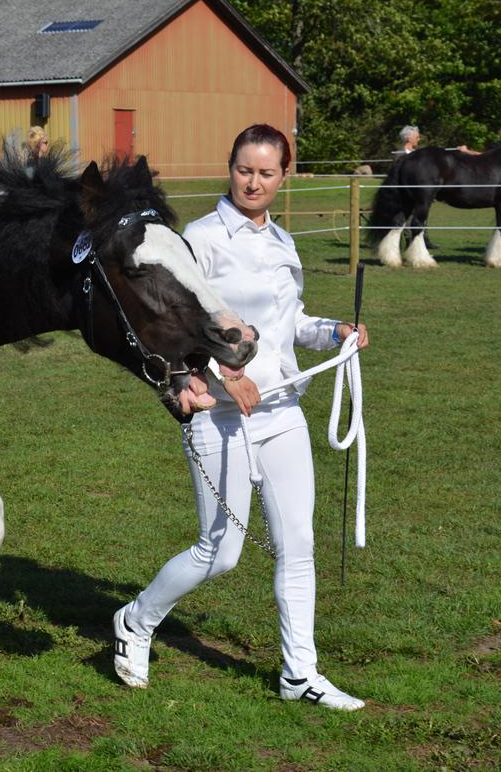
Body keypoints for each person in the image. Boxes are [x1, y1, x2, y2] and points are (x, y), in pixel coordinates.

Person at [112, 123, 371, 711]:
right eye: (244, 170)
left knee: (297, 545)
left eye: (266, 172)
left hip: (282, 415)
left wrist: (334, 332)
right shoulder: (198, 240)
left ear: (284, 177)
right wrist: (227, 374)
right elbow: (172, 327)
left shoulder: (283, 242)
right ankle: (135, 619)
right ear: (230, 168)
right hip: (218, 417)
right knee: (219, 551)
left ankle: (299, 674)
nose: (253, 182)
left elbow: (289, 324)